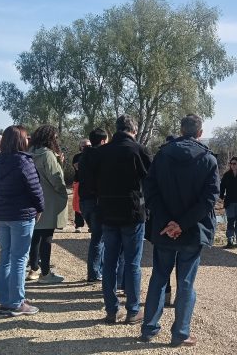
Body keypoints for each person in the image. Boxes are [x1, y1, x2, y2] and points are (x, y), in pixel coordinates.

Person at [140, 114, 219, 347]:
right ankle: (180, 333)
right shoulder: (208, 159)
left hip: (165, 229)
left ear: (181, 129)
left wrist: (168, 223)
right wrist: (182, 224)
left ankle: (149, 328)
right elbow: (209, 199)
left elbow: (150, 191)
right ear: (200, 133)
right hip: (193, 231)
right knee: (185, 282)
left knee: (159, 278)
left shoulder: (162, 156)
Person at [94, 115, 151, 325]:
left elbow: (90, 182)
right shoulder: (139, 150)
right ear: (133, 130)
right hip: (132, 212)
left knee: (109, 261)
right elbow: (150, 181)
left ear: (116, 130)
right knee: (132, 263)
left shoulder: (101, 152)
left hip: (107, 212)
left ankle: (111, 310)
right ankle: (133, 310)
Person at [0, 125, 43, 316]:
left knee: (5, 257)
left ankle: (6, 300)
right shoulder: (24, 162)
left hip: (3, 214)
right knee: (19, 259)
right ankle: (17, 302)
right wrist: (40, 207)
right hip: (21, 215)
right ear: (21, 141)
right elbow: (35, 189)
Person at [27, 124, 68, 285]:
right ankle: (45, 273)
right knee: (47, 238)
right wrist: (63, 191)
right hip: (48, 200)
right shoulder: (47, 155)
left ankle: (34, 269)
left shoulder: (29, 153)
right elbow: (56, 178)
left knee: (35, 236)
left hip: (33, 199)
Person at [77, 128, 112, 282]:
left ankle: (98, 269)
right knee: (98, 238)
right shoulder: (103, 157)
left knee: (97, 236)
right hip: (97, 200)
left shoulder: (83, 156)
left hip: (84, 200)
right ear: (103, 141)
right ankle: (95, 272)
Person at [71, 139, 90, 232]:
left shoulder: (94, 155)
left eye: (88, 146)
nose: (86, 148)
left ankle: (91, 225)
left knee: (91, 204)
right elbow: (78, 168)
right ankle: (78, 224)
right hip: (79, 182)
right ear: (80, 147)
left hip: (91, 183)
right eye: (84, 146)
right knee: (77, 204)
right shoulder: (77, 157)